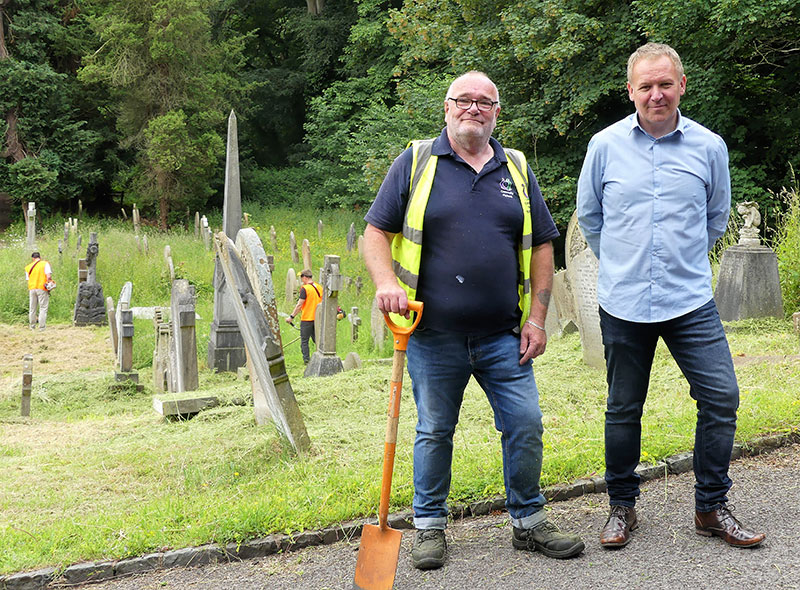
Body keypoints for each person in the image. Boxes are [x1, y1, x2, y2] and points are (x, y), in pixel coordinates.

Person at [363, 71, 584, 570]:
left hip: (504, 335)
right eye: (464, 100)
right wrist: (385, 283)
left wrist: (540, 318)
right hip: (431, 336)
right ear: (446, 108)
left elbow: (543, 245)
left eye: (485, 102)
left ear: (496, 113)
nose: (473, 109)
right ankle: (429, 527)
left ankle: (528, 523)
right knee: (435, 429)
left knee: (525, 424)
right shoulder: (417, 161)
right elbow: (375, 231)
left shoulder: (517, 169)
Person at [576, 42, 765, 549]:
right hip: (624, 301)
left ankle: (710, 506)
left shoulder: (709, 147)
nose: (655, 94)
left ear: (681, 85)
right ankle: (621, 507)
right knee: (623, 407)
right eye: (646, 86)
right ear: (631, 90)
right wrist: (627, 263)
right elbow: (591, 219)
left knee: (721, 396)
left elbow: (715, 218)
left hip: (689, 301)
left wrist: (676, 264)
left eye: (665, 84)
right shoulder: (605, 145)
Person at [286, 269, 322, 364]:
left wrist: (291, 317)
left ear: (305, 277)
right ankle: (322, 356)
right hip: (318, 319)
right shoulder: (318, 287)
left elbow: (299, 305)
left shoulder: (305, 288)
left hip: (307, 318)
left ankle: (306, 360)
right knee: (317, 339)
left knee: (304, 341)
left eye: (301, 277)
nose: (301, 279)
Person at [25, 251, 52, 331]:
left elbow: (28, 279)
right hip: (42, 288)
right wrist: (49, 286)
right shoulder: (45, 263)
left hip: (32, 288)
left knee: (32, 308)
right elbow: (48, 276)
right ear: (40, 257)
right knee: (43, 308)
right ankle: (42, 327)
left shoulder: (28, 267)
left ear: (33, 258)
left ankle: (32, 326)